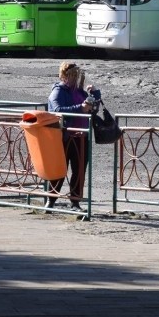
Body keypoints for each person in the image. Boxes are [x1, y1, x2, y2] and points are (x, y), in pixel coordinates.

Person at [46, 62, 100, 211]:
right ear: (64, 76)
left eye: (76, 75)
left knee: (79, 170)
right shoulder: (58, 91)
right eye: (71, 75)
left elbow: (93, 109)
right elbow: (57, 109)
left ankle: (75, 202)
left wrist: (95, 95)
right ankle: (50, 201)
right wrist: (79, 108)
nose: (75, 78)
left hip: (81, 136)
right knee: (59, 170)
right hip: (65, 136)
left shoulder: (80, 92)